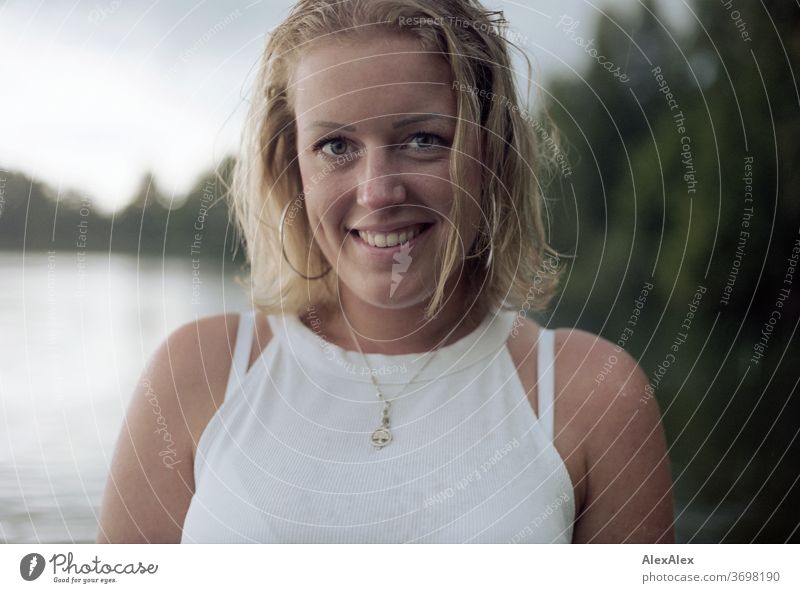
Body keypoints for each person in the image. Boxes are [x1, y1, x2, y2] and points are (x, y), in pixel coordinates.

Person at [96, 0, 674, 544]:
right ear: (291, 166)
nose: (377, 192)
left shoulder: (595, 397)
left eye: (423, 139)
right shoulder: (195, 376)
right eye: (335, 145)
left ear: (492, 152)